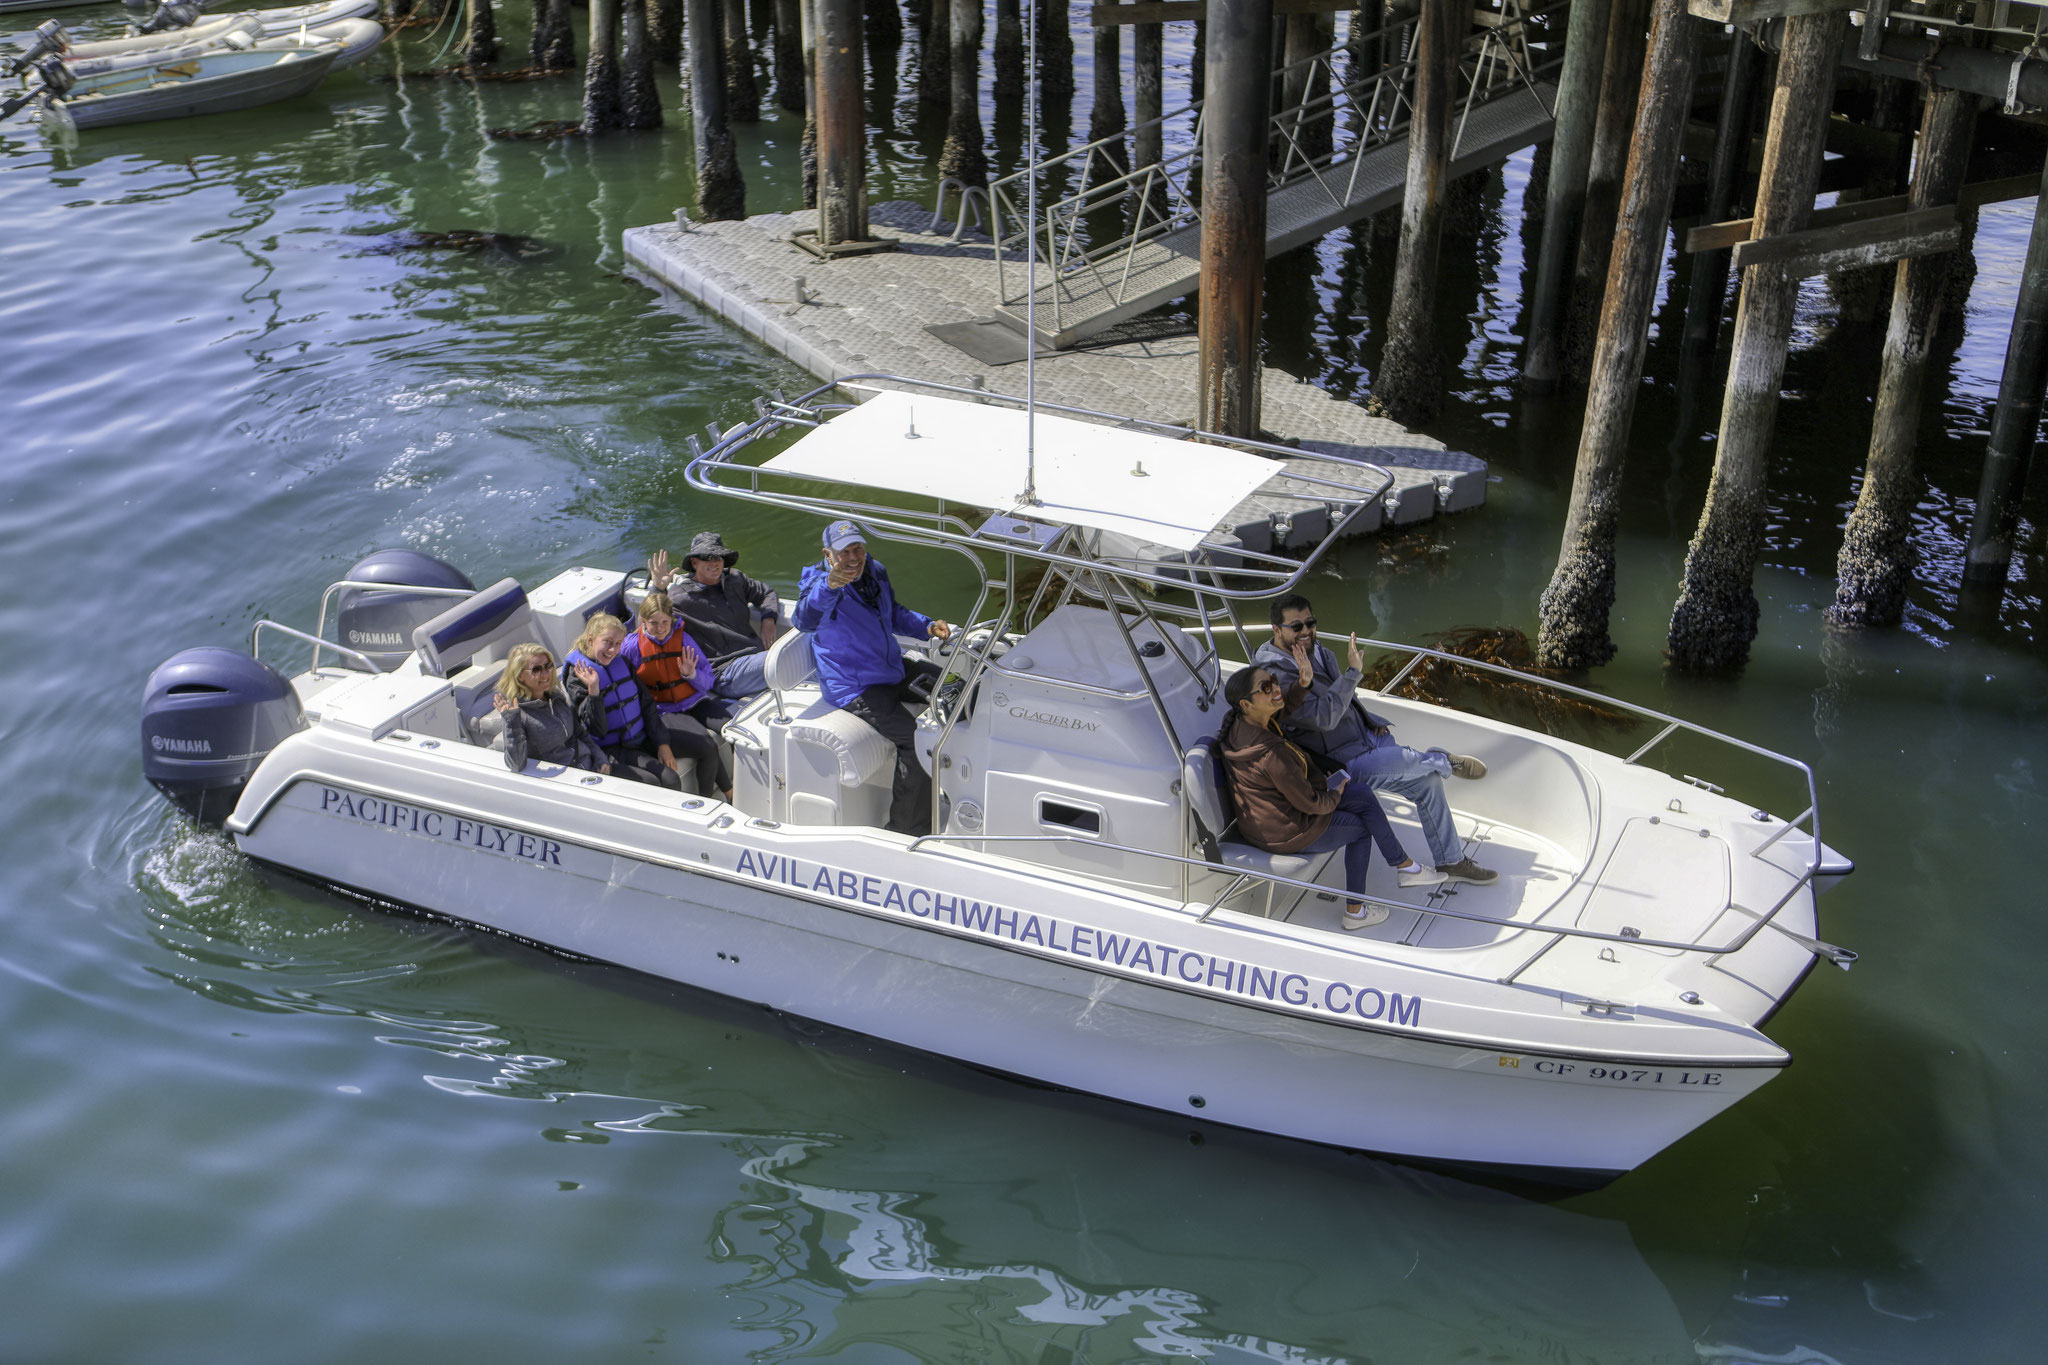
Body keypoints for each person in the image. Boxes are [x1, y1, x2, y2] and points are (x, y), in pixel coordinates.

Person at [1253, 594, 1497, 885]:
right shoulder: (1273, 676)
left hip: (1363, 738)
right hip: (1337, 762)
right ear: (1276, 629)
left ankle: (1452, 860)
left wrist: (1370, 721)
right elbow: (1323, 718)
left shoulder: (1318, 651)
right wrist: (1354, 672)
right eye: (1296, 626)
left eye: (1310, 622)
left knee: (1427, 783)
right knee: (1410, 760)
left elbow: (1347, 700)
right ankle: (1441, 760)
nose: (1306, 630)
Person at [1219, 666, 1442, 931]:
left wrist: (1302, 684)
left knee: (1361, 793)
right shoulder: (1271, 754)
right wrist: (1334, 793)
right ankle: (1355, 912)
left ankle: (1406, 867)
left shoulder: (1240, 724)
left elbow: (1283, 707)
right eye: (1266, 687)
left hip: (1269, 819)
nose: (1276, 688)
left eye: (1274, 681)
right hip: (1284, 832)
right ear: (1246, 703)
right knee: (1361, 829)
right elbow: (1311, 804)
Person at [792, 519, 951, 836]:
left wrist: (927, 626)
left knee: (954, 690)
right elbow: (803, 619)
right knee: (914, 740)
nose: (853, 558)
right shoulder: (819, 585)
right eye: (844, 552)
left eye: (857, 548)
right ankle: (905, 830)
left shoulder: (874, 571)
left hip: (890, 668)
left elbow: (893, 613)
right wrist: (831, 585)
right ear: (828, 554)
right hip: (855, 687)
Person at [621, 591, 733, 800]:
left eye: (665, 622)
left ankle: (736, 786)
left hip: (694, 700)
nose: (661, 628)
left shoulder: (684, 640)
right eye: (654, 623)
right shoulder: (631, 646)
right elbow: (623, 681)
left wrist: (691, 674)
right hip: (664, 709)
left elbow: (708, 681)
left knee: (735, 731)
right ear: (643, 621)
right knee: (706, 744)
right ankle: (712, 798)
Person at [647, 531, 781, 700]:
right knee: (785, 656)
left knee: (806, 644)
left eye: (718, 557)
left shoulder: (735, 579)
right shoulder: (679, 597)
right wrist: (658, 589)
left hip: (755, 658)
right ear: (694, 562)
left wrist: (768, 619)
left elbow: (766, 593)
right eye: (707, 558)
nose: (714, 563)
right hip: (725, 674)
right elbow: (648, 626)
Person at [563, 613, 680, 789]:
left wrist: (662, 742)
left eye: (618, 644)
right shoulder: (577, 676)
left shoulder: (622, 662)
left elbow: (646, 703)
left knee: (701, 749)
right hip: (611, 749)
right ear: (590, 640)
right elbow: (597, 729)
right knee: (657, 782)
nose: (612, 650)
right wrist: (593, 691)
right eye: (607, 642)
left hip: (639, 737)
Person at [475, 642, 609, 776]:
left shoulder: (556, 698)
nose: (545, 674)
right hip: (565, 780)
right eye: (536, 670)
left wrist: (601, 758)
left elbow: (580, 734)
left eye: (548, 666)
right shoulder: (516, 713)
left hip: (588, 767)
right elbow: (516, 764)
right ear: (519, 676)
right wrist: (511, 721)